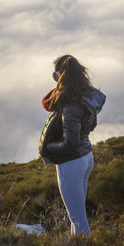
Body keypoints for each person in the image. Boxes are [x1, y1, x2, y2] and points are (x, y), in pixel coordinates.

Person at [38, 54, 106, 235]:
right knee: (77, 215)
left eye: (56, 75)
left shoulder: (70, 104)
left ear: (61, 76)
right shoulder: (86, 96)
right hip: (85, 157)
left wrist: (46, 149)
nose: (55, 79)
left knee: (77, 218)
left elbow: (70, 143)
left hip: (71, 162)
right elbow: (88, 127)